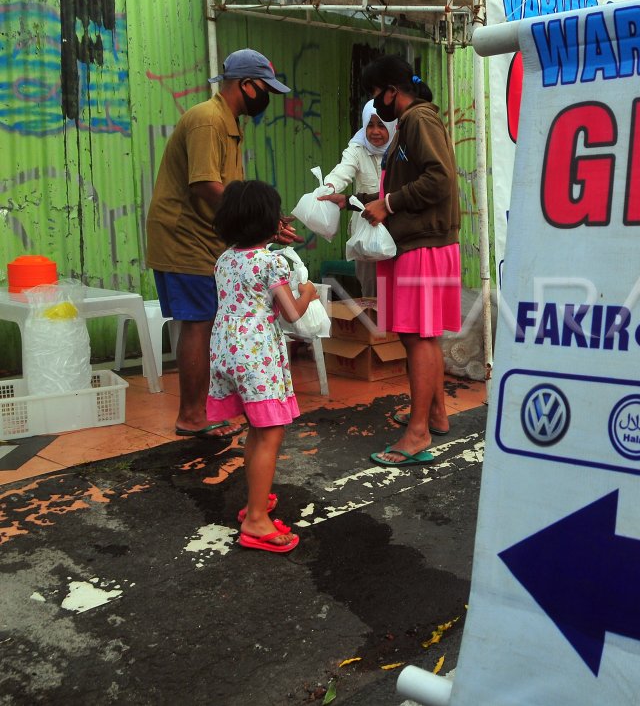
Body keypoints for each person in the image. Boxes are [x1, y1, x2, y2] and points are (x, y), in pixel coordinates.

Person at [145, 48, 299, 441]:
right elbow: (205, 184)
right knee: (197, 324)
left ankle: (204, 410)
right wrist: (258, 221)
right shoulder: (207, 120)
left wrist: (264, 224)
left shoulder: (227, 121)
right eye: (265, 89)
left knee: (206, 320)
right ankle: (192, 415)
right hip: (185, 236)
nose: (267, 99)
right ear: (247, 85)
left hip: (206, 235)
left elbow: (230, 190)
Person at [320, 55, 461, 466]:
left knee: (418, 336)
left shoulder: (418, 120)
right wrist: (350, 201)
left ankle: (417, 434)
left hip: (423, 246)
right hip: (419, 243)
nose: (375, 104)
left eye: (375, 95)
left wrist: (390, 202)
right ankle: (434, 414)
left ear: (391, 91)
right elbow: (398, 192)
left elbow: (440, 178)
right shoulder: (414, 123)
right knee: (419, 334)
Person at [209, 180, 317, 553]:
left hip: (226, 350)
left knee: (256, 427)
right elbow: (292, 315)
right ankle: (256, 520)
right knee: (269, 432)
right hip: (257, 356)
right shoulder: (272, 263)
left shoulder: (224, 259)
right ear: (270, 222)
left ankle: (257, 498)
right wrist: (308, 293)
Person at [322, 100, 397, 297]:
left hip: (397, 228)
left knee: (397, 291)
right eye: (370, 125)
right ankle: (373, 327)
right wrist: (329, 186)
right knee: (371, 293)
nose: (374, 131)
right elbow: (343, 170)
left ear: (391, 124)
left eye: (381, 125)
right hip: (367, 233)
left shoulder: (400, 149)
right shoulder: (357, 148)